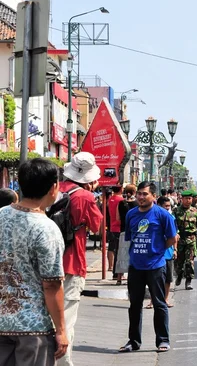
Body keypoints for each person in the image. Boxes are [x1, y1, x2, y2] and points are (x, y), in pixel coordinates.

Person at [0, 159, 68, 365]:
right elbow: (52, 284)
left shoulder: (0, 216)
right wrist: (61, 330)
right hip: (33, 327)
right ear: (53, 187)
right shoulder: (46, 229)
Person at [120, 181, 177, 353]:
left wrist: (157, 251)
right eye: (139, 194)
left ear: (153, 196)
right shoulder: (131, 214)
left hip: (156, 266)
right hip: (136, 266)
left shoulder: (162, 215)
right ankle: (133, 341)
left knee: (159, 304)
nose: (141, 197)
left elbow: (172, 239)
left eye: (145, 194)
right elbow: (129, 237)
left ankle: (163, 340)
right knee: (135, 305)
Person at [58, 152, 103, 366]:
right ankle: (64, 362)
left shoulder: (55, 190)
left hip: (49, 260)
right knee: (67, 318)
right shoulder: (85, 197)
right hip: (73, 261)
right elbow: (96, 227)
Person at [146, 196, 178, 309]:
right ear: (159, 205)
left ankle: (165, 299)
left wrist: (174, 249)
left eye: (169, 206)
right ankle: (152, 300)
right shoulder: (151, 218)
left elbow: (175, 236)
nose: (168, 208)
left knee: (167, 279)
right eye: (166, 206)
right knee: (153, 279)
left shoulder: (171, 218)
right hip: (155, 255)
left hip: (167, 254)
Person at [172, 190, 197, 290]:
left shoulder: (195, 211)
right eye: (186, 199)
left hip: (191, 239)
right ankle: (179, 274)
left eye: (190, 198)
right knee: (178, 262)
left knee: (190, 261)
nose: (188, 201)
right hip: (180, 239)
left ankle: (188, 281)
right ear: (182, 199)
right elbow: (173, 225)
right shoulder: (176, 211)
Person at [108, 185, 124, 278]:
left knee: (112, 248)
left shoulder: (110, 199)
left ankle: (112, 268)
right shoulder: (121, 200)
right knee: (119, 251)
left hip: (112, 226)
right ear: (121, 189)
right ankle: (117, 273)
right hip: (119, 227)